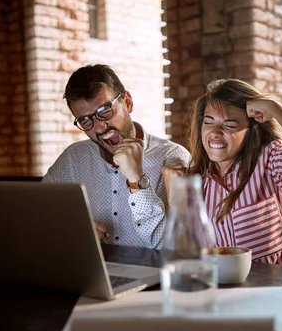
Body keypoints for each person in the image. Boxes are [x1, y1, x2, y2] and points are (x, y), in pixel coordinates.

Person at [185, 79, 282, 266]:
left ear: (250, 130)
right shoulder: (198, 179)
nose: (214, 132)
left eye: (229, 125)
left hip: (278, 290)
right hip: (222, 290)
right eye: (208, 122)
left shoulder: (270, 160)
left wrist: (276, 109)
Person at [42, 64, 191, 249]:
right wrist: (73, 229)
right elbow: (39, 218)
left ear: (127, 102)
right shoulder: (73, 158)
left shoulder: (173, 158)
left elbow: (173, 246)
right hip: (94, 274)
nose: (99, 127)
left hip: (152, 275)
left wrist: (136, 179)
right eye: (85, 120)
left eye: (104, 111)